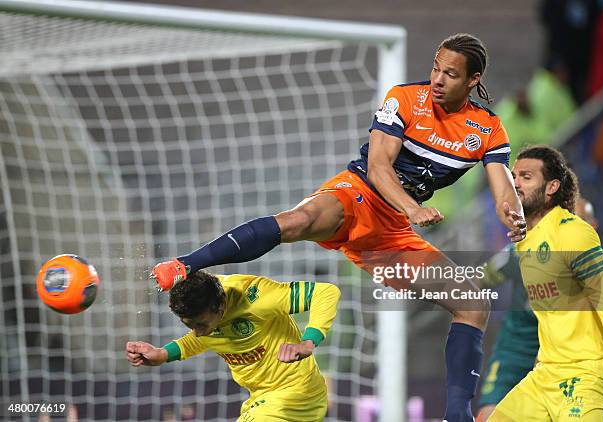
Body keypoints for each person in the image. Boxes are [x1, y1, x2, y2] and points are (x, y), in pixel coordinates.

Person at [151, 33, 526, 421]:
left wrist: (512, 214)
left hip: (390, 231)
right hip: (357, 193)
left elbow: (503, 189)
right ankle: (186, 262)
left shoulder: (488, 129)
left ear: (473, 80)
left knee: (473, 303)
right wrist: (412, 207)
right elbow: (380, 167)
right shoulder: (404, 98)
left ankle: (457, 415)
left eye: (450, 74)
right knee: (300, 221)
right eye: (435, 67)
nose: (437, 79)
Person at [487, 146, 603, 421]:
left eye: (527, 177)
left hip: (584, 374)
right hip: (545, 375)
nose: (516, 183)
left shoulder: (572, 233)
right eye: (514, 176)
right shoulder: (524, 241)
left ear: (551, 186)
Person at [127, 270, 340, 421]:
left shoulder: (256, 297)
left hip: (295, 394)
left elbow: (326, 293)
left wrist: (308, 341)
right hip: (261, 399)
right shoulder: (204, 309)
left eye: (201, 324)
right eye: (189, 325)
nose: (198, 332)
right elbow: (202, 338)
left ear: (220, 306)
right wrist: (163, 354)